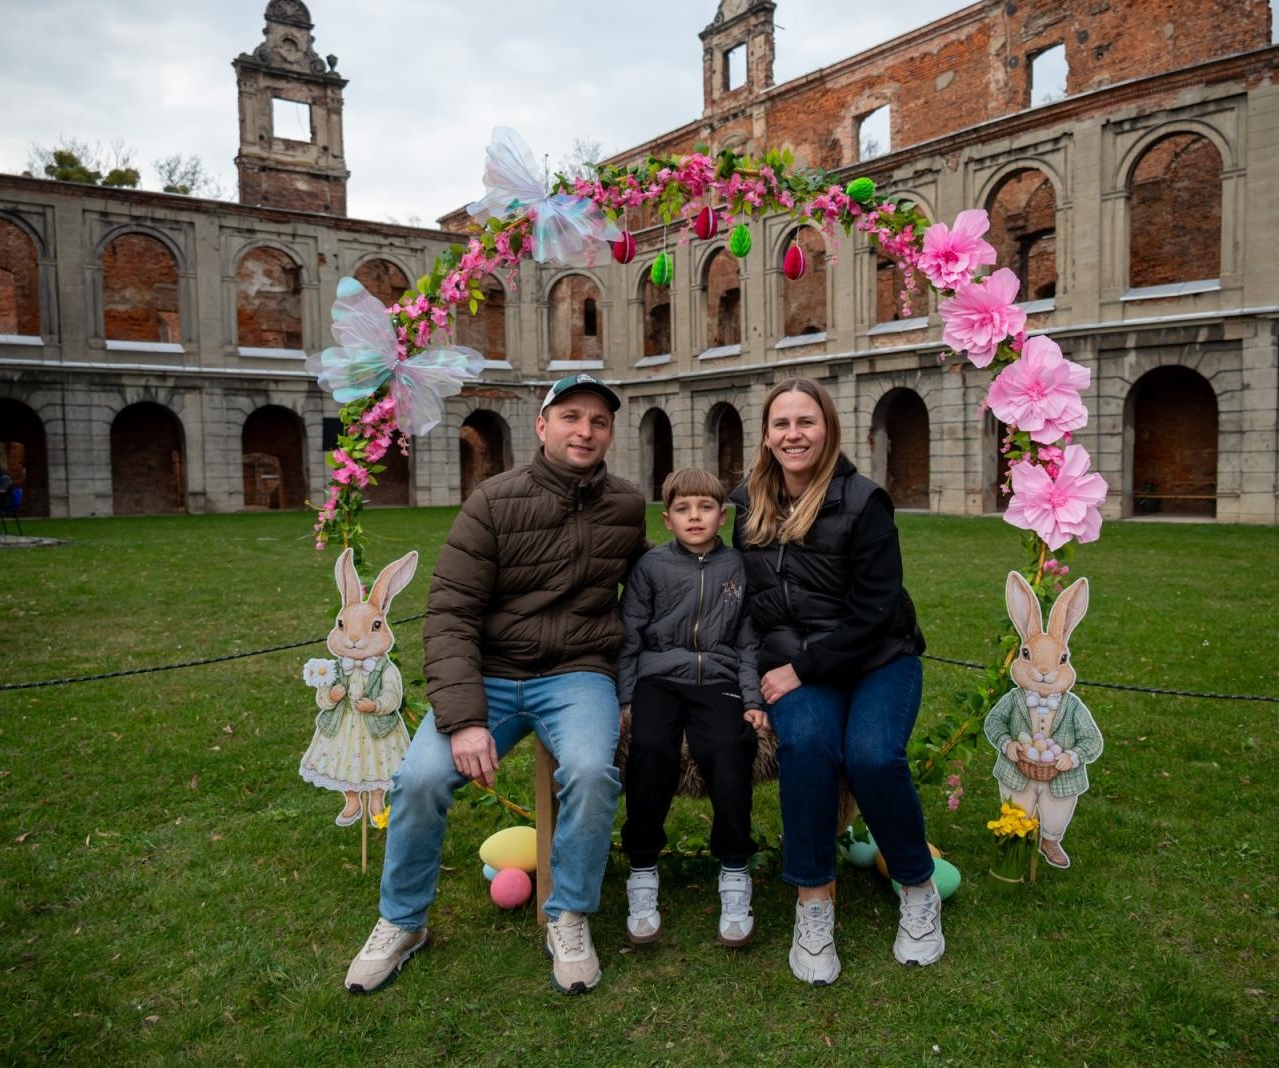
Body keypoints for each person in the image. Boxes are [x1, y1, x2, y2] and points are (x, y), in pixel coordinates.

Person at [344, 374, 647, 996]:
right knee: (420, 777)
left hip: (578, 674)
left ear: (610, 433)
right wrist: (464, 718)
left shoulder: (626, 505)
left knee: (592, 772)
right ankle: (402, 921)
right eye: (570, 417)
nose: (584, 430)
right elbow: (451, 613)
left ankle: (568, 914)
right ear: (542, 426)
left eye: (598, 421)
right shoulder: (493, 500)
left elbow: (645, 595)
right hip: (492, 675)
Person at [729, 377, 941, 987]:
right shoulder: (747, 503)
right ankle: (814, 900)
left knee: (873, 756)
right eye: (781, 425)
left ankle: (916, 883)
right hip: (795, 664)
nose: (794, 435)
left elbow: (876, 610)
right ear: (766, 437)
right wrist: (754, 682)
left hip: (877, 658)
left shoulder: (863, 499)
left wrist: (800, 668)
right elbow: (741, 598)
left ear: (828, 430)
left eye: (806, 422)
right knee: (809, 748)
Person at [616, 468, 768, 948]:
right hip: (659, 677)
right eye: (683, 509)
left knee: (730, 746)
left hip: (719, 680)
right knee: (652, 748)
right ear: (667, 520)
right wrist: (625, 699)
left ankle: (734, 869)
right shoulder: (651, 568)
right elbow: (629, 636)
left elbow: (748, 641)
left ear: (722, 516)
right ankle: (642, 867)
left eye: (705, 507)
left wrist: (752, 700)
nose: (695, 516)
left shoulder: (738, 567)